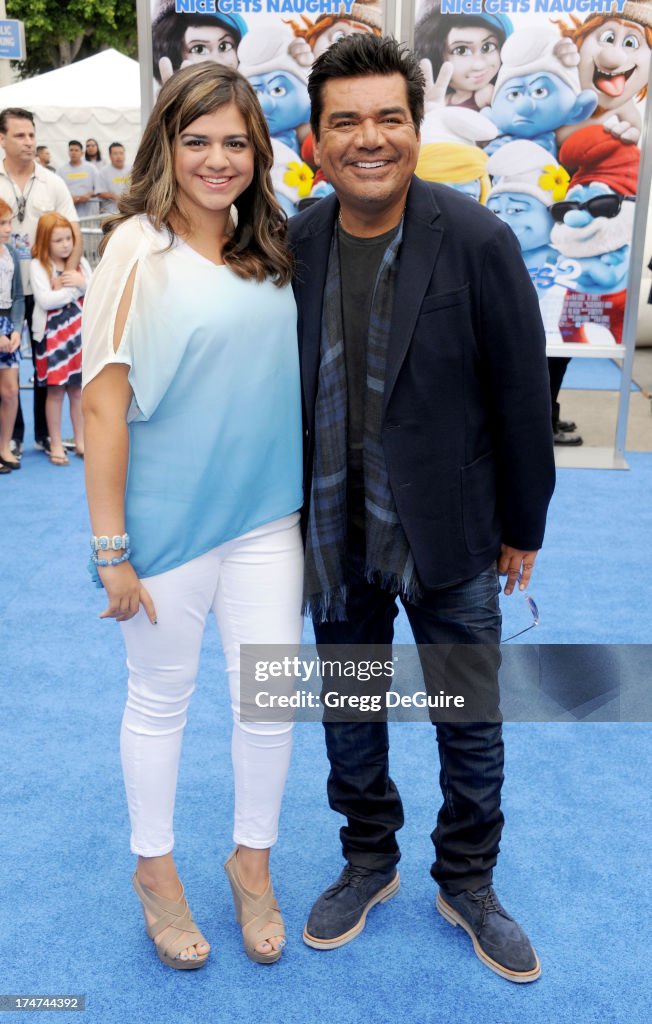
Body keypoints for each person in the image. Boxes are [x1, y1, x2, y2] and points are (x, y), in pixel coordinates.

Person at [288, 34, 555, 983]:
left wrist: (523, 525)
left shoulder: (477, 239)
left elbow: (525, 394)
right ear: (317, 139)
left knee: (467, 715)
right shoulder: (298, 242)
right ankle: (368, 860)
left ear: (416, 124)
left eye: (388, 118)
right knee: (350, 709)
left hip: (452, 523)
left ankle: (469, 881)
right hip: (333, 527)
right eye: (346, 121)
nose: (370, 138)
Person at [81, 62, 303, 970]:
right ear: (167, 145)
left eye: (236, 142)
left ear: (259, 151)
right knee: (161, 702)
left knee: (270, 703)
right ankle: (157, 875)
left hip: (266, 519)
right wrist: (110, 549)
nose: (218, 159)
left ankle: (252, 864)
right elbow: (103, 402)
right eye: (198, 140)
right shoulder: (136, 246)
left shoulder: (273, 246)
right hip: (166, 523)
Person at [0, 107, 82, 455]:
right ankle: (11, 437)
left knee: (46, 366)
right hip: (4, 296)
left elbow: (75, 230)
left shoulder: (53, 182)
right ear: (1, 139)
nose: (29, 142)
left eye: (32, 135)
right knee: (7, 372)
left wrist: (69, 277)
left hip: (46, 292)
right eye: (20, 135)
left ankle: (46, 436)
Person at [30, 213, 89, 465]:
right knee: (55, 392)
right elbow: (45, 300)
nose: (65, 245)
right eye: (58, 240)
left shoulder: (81, 263)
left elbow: (95, 288)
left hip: (78, 335)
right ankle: (55, 442)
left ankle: (81, 440)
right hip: (52, 338)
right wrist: (73, 290)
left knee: (77, 391)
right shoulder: (37, 266)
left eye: (68, 239)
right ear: (45, 242)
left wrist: (79, 285)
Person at [0, 198, 24, 473]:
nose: (8, 229)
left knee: (10, 392)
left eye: (9, 223)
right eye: (2, 223)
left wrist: (16, 329)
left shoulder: (13, 254)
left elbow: (18, 296)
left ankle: (4, 445)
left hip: (9, 324)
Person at [57, 140, 98, 218]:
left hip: (89, 214)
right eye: (71, 150)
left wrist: (88, 195)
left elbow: (100, 187)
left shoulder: (91, 168)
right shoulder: (61, 170)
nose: (73, 153)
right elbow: (57, 190)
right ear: (68, 152)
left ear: (82, 153)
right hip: (68, 213)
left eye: (76, 150)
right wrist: (70, 198)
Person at [96, 143, 131, 215]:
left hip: (128, 212)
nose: (119, 156)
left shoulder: (132, 170)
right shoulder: (103, 172)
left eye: (121, 153)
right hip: (110, 213)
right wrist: (114, 196)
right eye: (115, 153)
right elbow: (100, 192)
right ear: (110, 156)